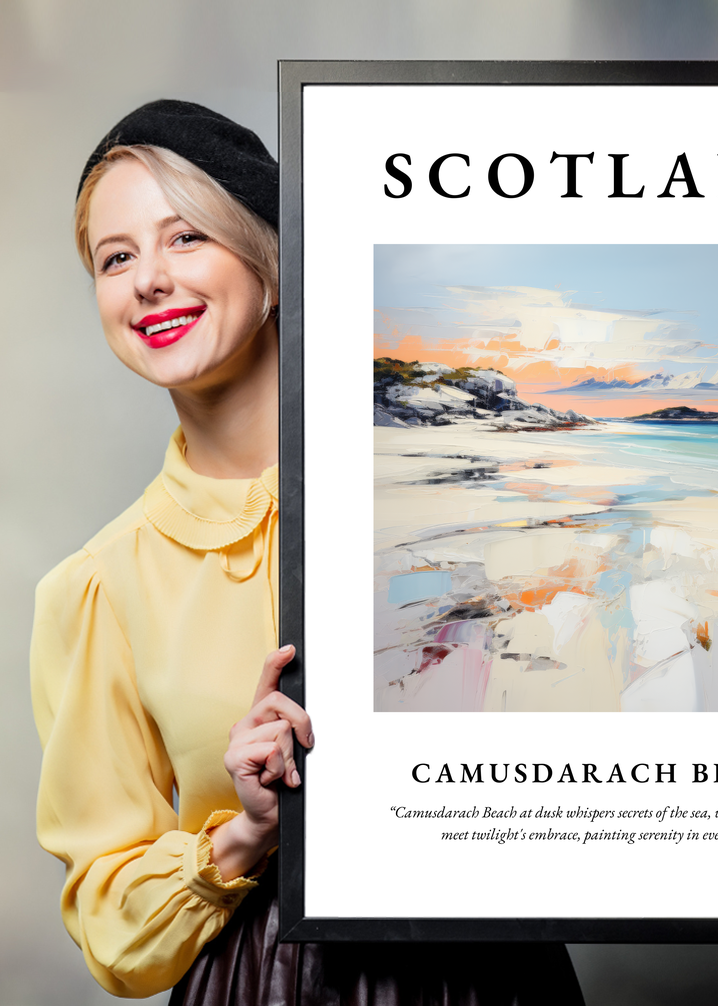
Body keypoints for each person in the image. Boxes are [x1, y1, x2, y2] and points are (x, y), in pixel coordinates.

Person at [30, 100, 586, 1004]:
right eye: (116, 257)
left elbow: (605, 708)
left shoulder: (453, 499)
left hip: (492, 972)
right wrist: (245, 832)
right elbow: (110, 923)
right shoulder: (97, 587)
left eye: (185, 239)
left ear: (272, 263)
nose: (148, 281)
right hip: (262, 981)